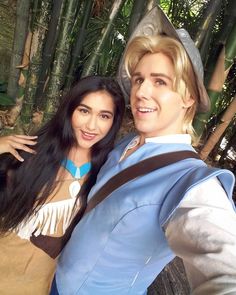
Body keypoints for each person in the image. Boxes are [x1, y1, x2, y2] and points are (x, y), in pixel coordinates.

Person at [51, 6, 236, 295]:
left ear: (188, 97)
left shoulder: (192, 185)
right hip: (57, 276)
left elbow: (224, 264)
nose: (141, 92)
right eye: (139, 79)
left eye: (160, 82)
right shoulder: (129, 142)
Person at [0, 75, 125, 295]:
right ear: (70, 110)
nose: (91, 125)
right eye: (84, 111)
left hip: (38, 286)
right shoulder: (30, 154)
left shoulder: (106, 174)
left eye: (104, 116)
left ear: (113, 122)